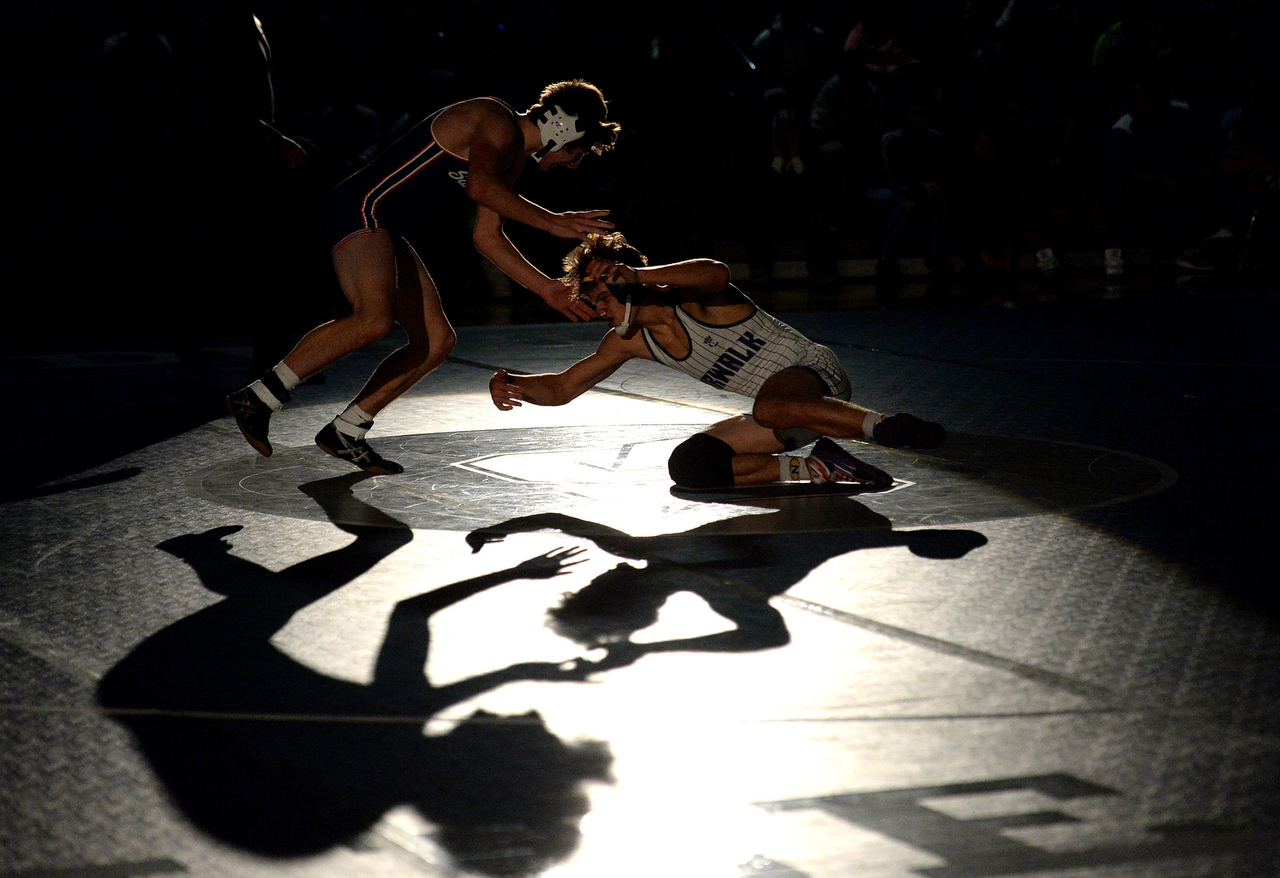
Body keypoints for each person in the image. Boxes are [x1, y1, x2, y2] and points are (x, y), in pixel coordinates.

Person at [226, 80, 620, 474]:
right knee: (373, 319)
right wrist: (551, 222)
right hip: (362, 208)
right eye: (579, 152)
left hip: (385, 226)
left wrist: (546, 288)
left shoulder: (512, 159)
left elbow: (487, 237)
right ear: (565, 130)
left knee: (435, 342)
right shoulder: (494, 118)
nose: (575, 163)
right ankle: (259, 396)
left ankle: (347, 430)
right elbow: (480, 188)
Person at [487, 233, 945, 491]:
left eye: (604, 296)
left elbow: (717, 271)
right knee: (692, 466)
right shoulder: (627, 341)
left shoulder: (694, 298)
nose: (601, 310)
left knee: (770, 406)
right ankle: (821, 468)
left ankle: (885, 428)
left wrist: (639, 275)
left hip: (816, 379)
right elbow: (563, 388)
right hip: (785, 413)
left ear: (630, 284)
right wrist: (513, 383)